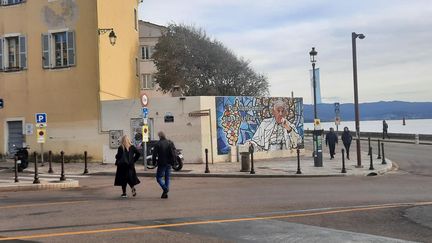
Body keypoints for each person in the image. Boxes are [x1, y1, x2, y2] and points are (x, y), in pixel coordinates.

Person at [152, 131, 176, 199]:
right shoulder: (170, 142)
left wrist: (154, 163)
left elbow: (154, 155)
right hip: (169, 163)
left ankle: (165, 189)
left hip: (162, 163)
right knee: (167, 177)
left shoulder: (158, 144)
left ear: (159, 136)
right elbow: (174, 151)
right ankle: (165, 194)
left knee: (158, 178)